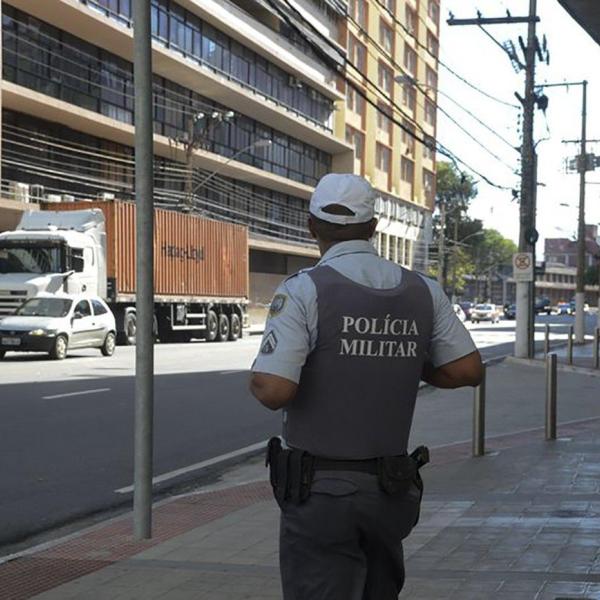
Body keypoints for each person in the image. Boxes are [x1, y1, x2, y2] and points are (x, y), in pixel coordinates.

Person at [249, 173, 483, 600]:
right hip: (392, 490)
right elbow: (468, 370)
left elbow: (273, 390)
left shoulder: (304, 290)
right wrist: (406, 360)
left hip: (319, 493)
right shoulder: (422, 290)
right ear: (374, 228)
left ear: (311, 226)